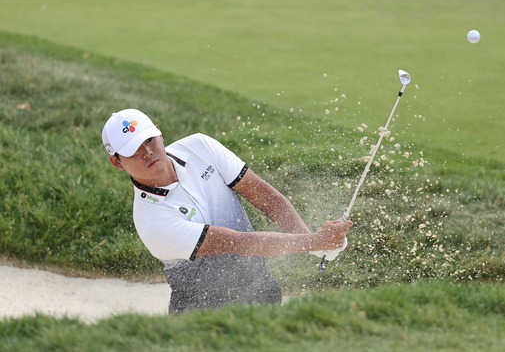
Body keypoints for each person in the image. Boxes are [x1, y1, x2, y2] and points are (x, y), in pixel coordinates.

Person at [101, 108, 351, 313]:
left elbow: (264, 196)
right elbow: (239, 243)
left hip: (260, 290)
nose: (147, 152)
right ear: (117, 162)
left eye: (149, 140)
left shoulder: (200, 146)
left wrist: (311, 241)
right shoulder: (151, 220)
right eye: (134, 149)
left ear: (159, 132)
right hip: (201, 316)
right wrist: (313, 241)